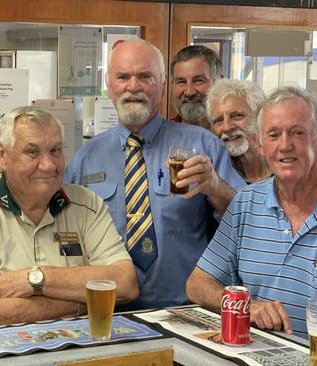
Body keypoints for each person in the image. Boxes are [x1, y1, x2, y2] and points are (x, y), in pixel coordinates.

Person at [66, 39, 245, 310]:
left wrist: (216, 187)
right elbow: (68, 235)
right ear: (109, 85)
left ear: (162, 85)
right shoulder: (85, 158)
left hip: (186, 310)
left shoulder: (204, 146)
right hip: (109, 311)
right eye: (123, 77)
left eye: (145, 77)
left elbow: (247, 221)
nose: (133, 86)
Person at [186, 87, 317, 357]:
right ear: (259, 144)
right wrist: (249, 306)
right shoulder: (246, 203)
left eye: (297, 132)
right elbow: (197, 285)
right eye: (273, 134)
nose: (285, 145)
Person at [0, 106, 138, 328]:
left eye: (55, 151)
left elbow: (126, 284)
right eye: (32, 152)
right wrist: (82, 302)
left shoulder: (87, 205)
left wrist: (37, 279)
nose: (48, 165)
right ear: (2, 155)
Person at [206, 79, 271, 183]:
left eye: (237, 116)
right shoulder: (216, 178)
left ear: (259, 117)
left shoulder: (282, 166)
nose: (226, 127)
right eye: (218, 121)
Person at [170, 45, 223, 130]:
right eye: (181, 82)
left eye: (198, 80)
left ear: (219, 83)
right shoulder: (160, 138)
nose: (189, 92)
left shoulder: (232, 136)